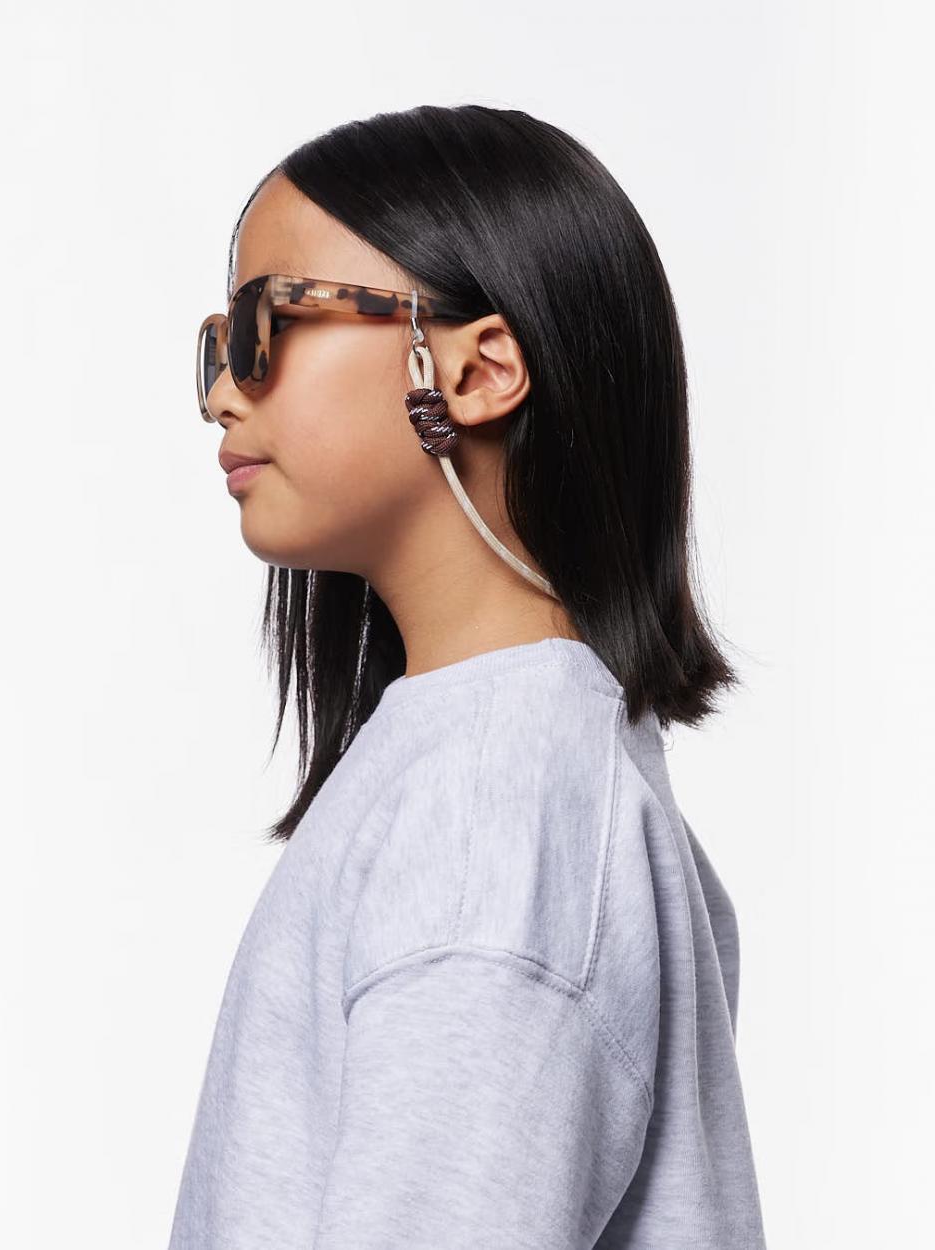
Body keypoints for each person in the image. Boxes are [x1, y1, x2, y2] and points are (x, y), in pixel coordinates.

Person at [169, 103, 769, 1249]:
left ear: (478, 368)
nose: (223, 391)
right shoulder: (500, 765)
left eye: (267, 323)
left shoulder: (493, 811)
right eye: (219, 341)